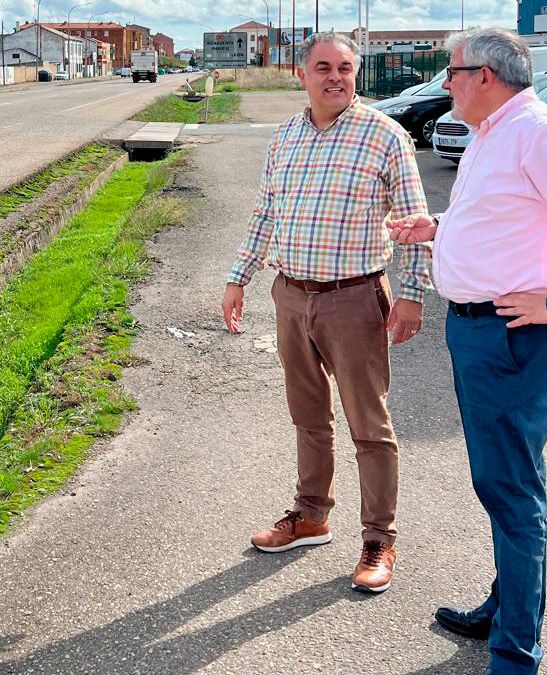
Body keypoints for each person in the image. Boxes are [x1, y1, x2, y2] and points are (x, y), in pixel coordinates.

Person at [386, 28, 547, 674]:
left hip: (514, 336)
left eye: (452, 71)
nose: (445, 82)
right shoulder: (498, 131)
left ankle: (516, 650)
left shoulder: (538, 132)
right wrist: (437, 227)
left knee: (511, 486)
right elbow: (506, 217)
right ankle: (507, 606)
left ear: (485, 76)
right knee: (503, 480)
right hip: (481, 332)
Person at [222, 32, 431, 594]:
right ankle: (311, 515)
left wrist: (412, 294)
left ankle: (379, 539)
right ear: (301, 74)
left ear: (355, 73)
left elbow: (413, 224)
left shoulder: (385, 136)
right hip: (291, 294)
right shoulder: (286, 134)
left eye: (345, 67)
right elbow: (266, 213)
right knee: (308, 415)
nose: (334, 77)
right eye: (323, 67)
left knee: (370, 424)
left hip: (354, 298)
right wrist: (238, 277)